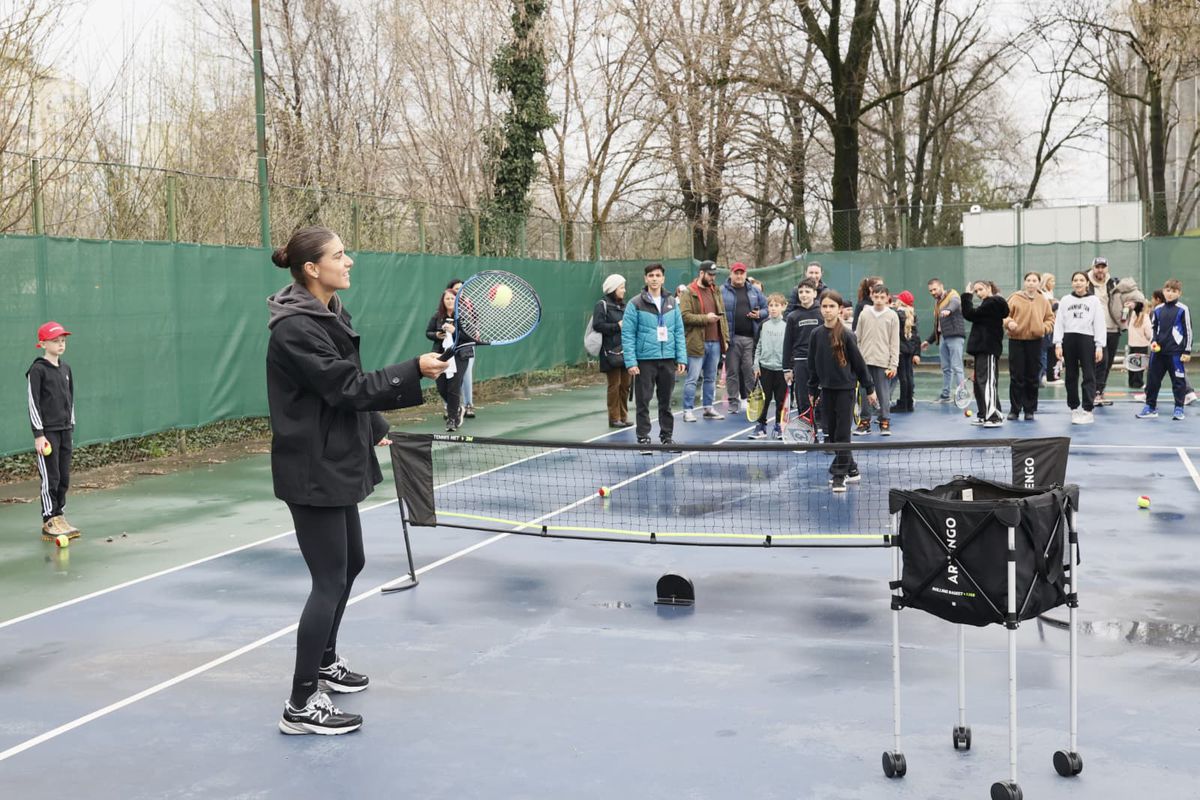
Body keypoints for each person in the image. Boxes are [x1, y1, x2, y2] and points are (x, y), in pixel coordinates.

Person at [267, 226, 448, 735]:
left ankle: (324, 662)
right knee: (328, 580)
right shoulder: (295, 329)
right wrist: (414, 368)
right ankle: (301, 704)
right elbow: (345, 385)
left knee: (354, 563)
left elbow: (345, 380)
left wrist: (378, 426)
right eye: (340, 255)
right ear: (311, 268)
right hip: (312, 468)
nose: (350, 262)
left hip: (337, 456)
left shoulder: (329, 313)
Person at [807, 291, 877, 493]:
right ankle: (853, 469)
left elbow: (859, 364)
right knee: (833, 433)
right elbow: (812, 364)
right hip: (826, 390)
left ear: (839, 310)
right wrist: (812, 389)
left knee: (842, 434)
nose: (827, 310)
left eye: (831, 307)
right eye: (824, 306)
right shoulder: (815, 335)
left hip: (845, 390)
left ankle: (839, 475)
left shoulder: (847, 334)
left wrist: (869, 388)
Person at [622, 263, 688, 449]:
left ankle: (666, 436)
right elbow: (627, 334)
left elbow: (678, 331)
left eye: (658, 275)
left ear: (663, 278)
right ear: (645, 279)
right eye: (651, 275)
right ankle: (643, 437)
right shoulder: (635, 303)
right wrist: (631, 362)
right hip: (645, 361)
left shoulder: (672, 302)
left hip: (667, 359)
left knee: (665, 402)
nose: (654, 278)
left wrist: (681, 358)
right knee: (643, 401)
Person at [27, 321, 79, 540]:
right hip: (47, 433)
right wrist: (39, 435)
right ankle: (49, 519)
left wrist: (71, 424)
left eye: (63, 340)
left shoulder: (66, 369)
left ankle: (59, 515)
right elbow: (33, 403)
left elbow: (70, 398)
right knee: (51, 477)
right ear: (42, 344)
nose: (61, 344)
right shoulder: (37, 370)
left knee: (64, 476)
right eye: (55, 341)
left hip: (65, 430)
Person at [1088, 256, 1144, 406]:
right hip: (1093, 330)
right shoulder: (1085, 284)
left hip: (1113, 328)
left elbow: (1139, 298)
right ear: (1092, 268)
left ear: (1107, 268)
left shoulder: (1114, 284)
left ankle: (1099, 391)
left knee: (1107, 363)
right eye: (1097, 267)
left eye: (1103, 267)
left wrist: (1134, 304)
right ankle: (1095, 393)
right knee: (1101, 360)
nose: (1100, 270)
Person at [1053, 270, 1106, 424]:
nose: (1078, 283)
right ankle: (1074, 408)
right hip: (1069, 339)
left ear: (1087, 283)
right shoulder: (1065, 300)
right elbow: (1059, 323)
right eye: (1075, 280)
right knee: (1071, 375)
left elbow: (1099, 323)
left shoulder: (1094, 301)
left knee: (1089, 375)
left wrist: (1099, 346)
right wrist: (1058, 343)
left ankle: (1088, 410)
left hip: (1087, 339)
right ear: (1072, 283)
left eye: (1081, 280)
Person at [680, 261, 729, 421]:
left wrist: (725, 338)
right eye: (710, 274)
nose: (713, 278)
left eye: (714, 275)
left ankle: (708, 408)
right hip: (696, 342)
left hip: (715, 342)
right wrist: (706, 319)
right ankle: (688, 410)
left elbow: (723, 316)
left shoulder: (716, 290)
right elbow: (684, 316)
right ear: (701, 273)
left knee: (710, 378)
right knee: (692, 378)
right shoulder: (689, 291)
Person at [1137, 279, 1193, 420]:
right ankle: (1150, 407)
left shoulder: (1183, 309)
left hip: (1175, 354)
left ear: (1179, 293)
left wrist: (1186, 351)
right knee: (1152, 381)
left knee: (1179, 382)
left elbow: (1188, 331)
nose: (1170, 293)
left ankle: (1179, 408)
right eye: (1167, 290)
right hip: (1158, 353)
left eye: (1174, 291)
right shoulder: (1157, 309)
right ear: (1163, 291)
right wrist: (1154, 341)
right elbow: (1154, 328)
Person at [1005, 272, 1055, 421]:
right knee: (1016, 376)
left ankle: (1030, 409)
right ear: (1024, 282)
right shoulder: (1014, 298)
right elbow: (1004, 315)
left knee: (1032, 376)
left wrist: (1042, 328)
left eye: (1034, 280)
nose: (1031, 283)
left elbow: (1050, 319)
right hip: (1016, 340)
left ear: (1039, 283)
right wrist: (1009, 323)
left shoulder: (1043, 301)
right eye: (1028, 280)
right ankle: (1015, 409)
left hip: (1035, 341)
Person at [720, 262, 768, 413]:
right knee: (732, 371)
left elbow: (767, 308)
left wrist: (759, 314)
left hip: (750, 339)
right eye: (736, 273)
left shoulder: (754, 291)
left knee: (749, 371)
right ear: (731, 274)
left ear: (745, 275)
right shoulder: (722, 291)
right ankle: (733, 402)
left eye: (742, 273)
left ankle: (751, 400)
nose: (739, 276)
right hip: (731, 340)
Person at [961, 280, 1009, 427]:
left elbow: (970, 314)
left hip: (988, 349)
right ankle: (983, 414)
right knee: (980, 383)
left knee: (987, 382)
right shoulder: (987, 303)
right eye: (976, 291)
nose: (978, 293)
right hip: (981, 349)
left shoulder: (993, 302)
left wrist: (967, 295)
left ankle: (994, 416)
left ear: (989, 288)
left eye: (981, 289)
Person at [853, 284, 899, 436]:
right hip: (864, 362)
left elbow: (894, 342)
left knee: (883, 394)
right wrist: (856, 359)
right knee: (864, 392)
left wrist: (893, 364)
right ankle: (865, 422)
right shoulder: (864, 314)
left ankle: (884, 421)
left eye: (882, 297)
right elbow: (857, 338)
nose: (879, 300)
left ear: (887, 298)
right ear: (871, 296)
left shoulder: (892, 316)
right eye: (876, 297)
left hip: (883, 362)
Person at [427, 288, 469, 431]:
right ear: (443, 301)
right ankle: (457, 408)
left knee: (453, 387)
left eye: (452, 298)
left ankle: (452, 420)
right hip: (441, 355)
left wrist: (454, 331)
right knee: (442, 387)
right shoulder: (437, 316)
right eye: (447, 299)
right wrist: (438, 335)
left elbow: (469, 337)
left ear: (457, 300)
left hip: (460, 356)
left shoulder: (464, 316)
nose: (450, 301)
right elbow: (428, 332)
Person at [782, 278, 822, 428]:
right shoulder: (793, 316)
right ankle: (806, 431)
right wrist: (787, 368)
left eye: (807, 291)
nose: (804, 295)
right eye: (801, 292)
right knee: (803, 400)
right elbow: (787, 344)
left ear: (814, 293)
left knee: (821, 400)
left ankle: (824, 434)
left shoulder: (822, 313)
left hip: (820, 363)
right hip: (800, 363)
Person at [593, 274, 632, 428]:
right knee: (614, 385)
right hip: (610, 353)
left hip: (625, 350)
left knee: (625, 386)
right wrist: (617, 326)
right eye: (621, 287)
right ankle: (613, 418)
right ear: (613, 289)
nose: (624, 290)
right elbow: (598, 325)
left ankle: (623, 417)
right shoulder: (601, 304)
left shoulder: (625, 306)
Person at [750, 293, 789, 439]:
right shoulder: (763, 325)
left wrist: (789, 367)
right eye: (771, 305)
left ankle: (779, 426)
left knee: (780, 400)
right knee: (763, 400)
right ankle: (761, 426)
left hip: (781, 370)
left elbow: (790, 347)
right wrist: (756, 365)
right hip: (764, 369)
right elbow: (757, 346)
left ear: (783, 307)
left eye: (776, 305)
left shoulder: (787, 326)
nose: (773, 309)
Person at [920, 278, 966, 402]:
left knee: (957, 367)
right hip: (943, 338)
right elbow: (937, 326)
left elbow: (955, 303)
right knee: (946, 368)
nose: (933, 292)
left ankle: (962, 394)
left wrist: (948, 310)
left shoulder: (952, 294)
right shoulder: (937, 304)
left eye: (935, 289)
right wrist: (928, 341)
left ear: (941, 286)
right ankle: (946, 395)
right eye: (930, 291)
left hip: (955, 336)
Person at [448, 279, 476, 418]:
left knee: (466, 375)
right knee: (450, 377)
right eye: (456, 288)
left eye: (462, 288)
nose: (459, 290)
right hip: (450, 347)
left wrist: (475, 332)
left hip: (466, 346)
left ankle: (469, 405)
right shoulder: (447, 307)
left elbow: (474, 324)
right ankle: (452, 408)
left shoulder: (469, 305)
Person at [891, 290, 921, 413]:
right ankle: (908, 403)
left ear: (900, 302)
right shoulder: (911, 315)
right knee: (908, 376)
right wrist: (916, 352)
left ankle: (903, 404)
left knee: (903, 377)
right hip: (909, 349)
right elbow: (916, 337)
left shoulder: (896, 315)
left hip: (900, 350)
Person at [1126, 299, 1152, 393]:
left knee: (1132, 364)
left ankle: (1131, 382)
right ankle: (1138, 383)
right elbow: (1148, 332)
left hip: (1132, 344)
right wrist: (1151, 339)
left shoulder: (1133, 315)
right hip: (1142, 345)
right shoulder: (1146, 317)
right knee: (1139, 366)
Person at [1040, 273, 1060, 384]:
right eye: (1051, 281)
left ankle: (1048, 375)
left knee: (1049, 351)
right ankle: (1042, 375)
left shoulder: (1050, 294)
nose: (1053, 283)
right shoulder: (1042, 294)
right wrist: (1053, 305)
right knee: (1043, 352)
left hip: (1052, 326)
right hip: (1045, 327)